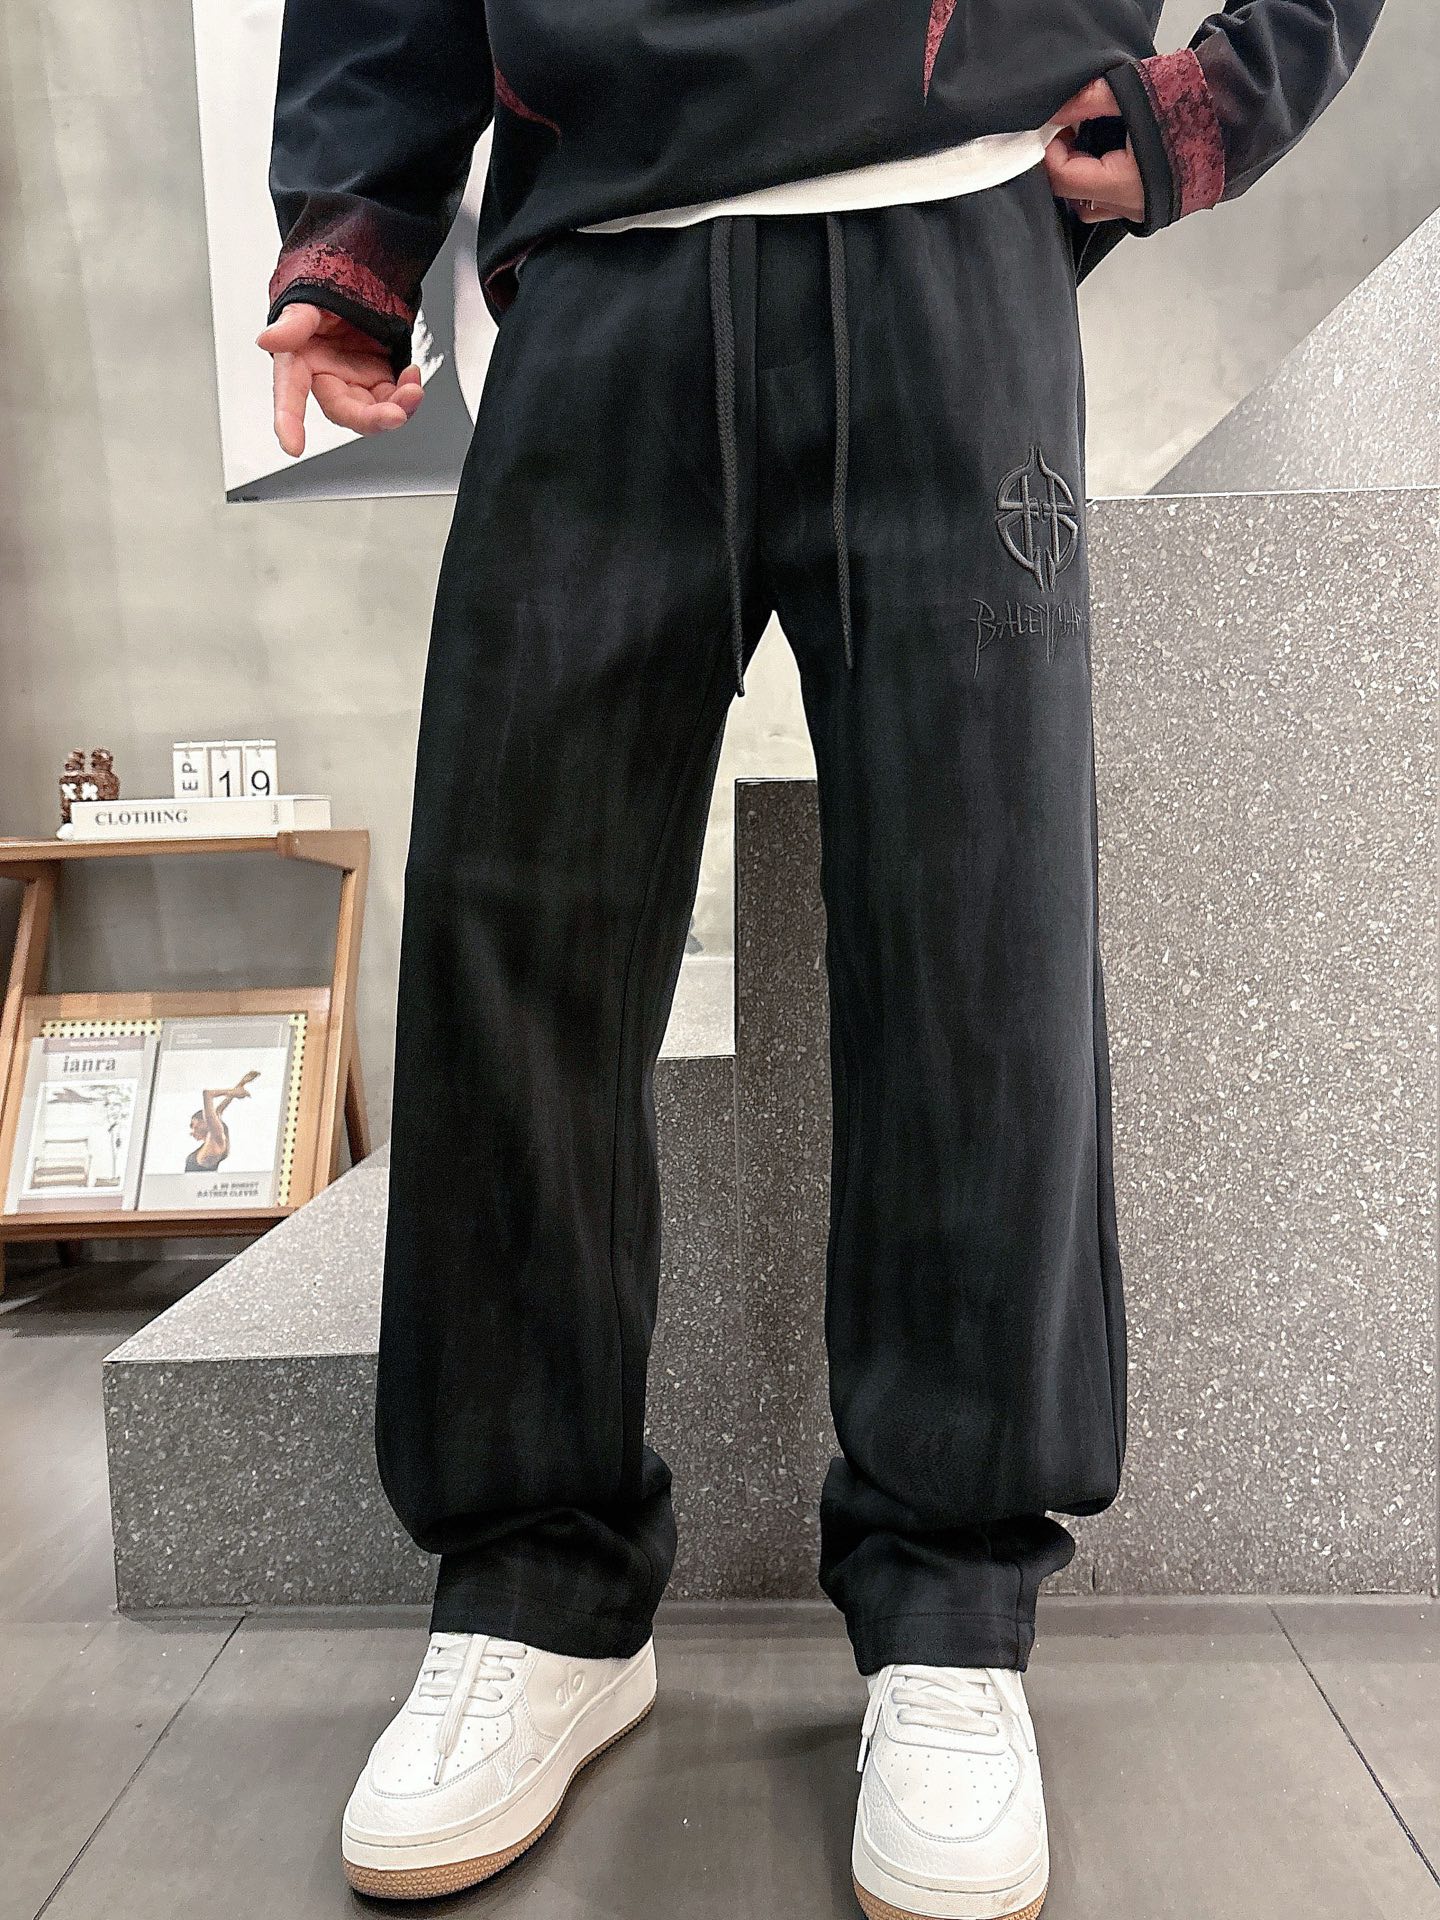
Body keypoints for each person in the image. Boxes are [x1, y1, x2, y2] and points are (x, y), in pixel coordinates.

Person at [257, 3, 1383, 1912]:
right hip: (605, 255)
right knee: (511, 944)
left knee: (977, 951)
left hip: (951, 224)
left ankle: (950, 1612)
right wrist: (356, 222)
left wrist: (1229, 92)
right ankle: (535, 1591)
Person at [184, 1072, 258, 1174]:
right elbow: (218, 1111)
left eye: (193, 1125)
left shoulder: (215, 1138)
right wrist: (241, 1084)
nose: (192, 1131)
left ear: (205, 1121)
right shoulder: (213, 1139)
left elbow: (207, 1094)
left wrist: (233, 1092)